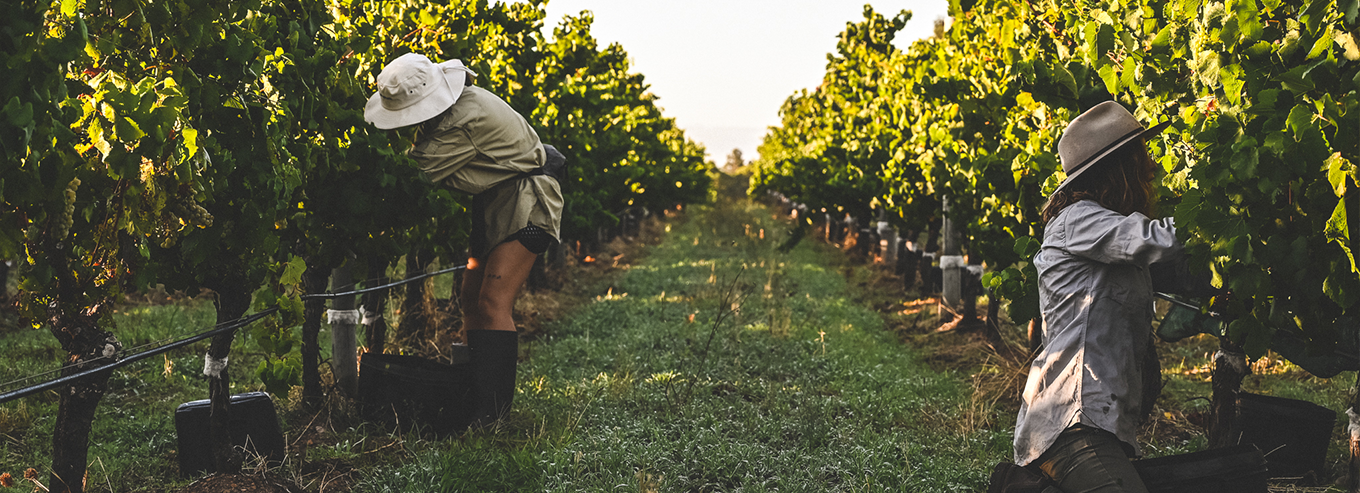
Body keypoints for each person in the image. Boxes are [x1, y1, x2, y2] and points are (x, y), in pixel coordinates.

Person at [364, 53, 564, 429]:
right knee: (470, 299)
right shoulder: (453, 110)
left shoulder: (461, 120)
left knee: (492, 302)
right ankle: (477, 395)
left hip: (528, 203)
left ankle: (493, 415)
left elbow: (414, 175)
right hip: (496, 203)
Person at [1013, 101, 1180, 492]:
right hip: (1073, 422)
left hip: (1097, 424)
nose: (1151, 169)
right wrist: (1216, 214)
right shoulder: (1079, 219)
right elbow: (1154, 240)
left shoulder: (1103, 234)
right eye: (1141, 160)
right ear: (1119, 169)